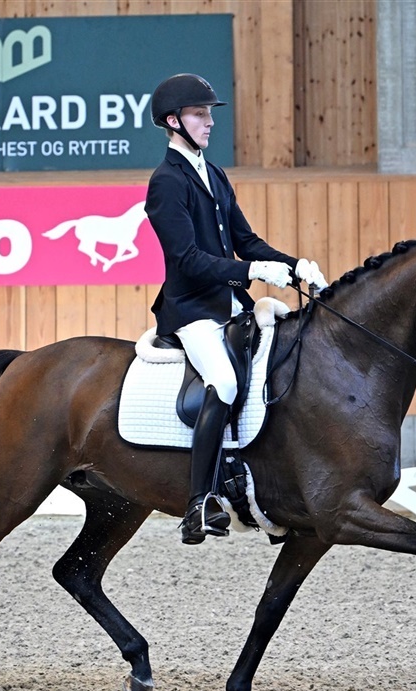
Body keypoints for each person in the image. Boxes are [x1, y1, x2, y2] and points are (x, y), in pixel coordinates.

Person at [145, 73, 328, 545]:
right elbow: (186, 259)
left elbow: (245, 240)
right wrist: (253, 271)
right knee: (224, 382)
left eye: (209, 114)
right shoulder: (166, 182)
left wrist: (293, 264)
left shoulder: (214, 173)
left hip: (231, 306)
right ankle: (198, 502)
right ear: (173, 121)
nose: (209, 122)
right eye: (199, 114)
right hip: (192, 310)